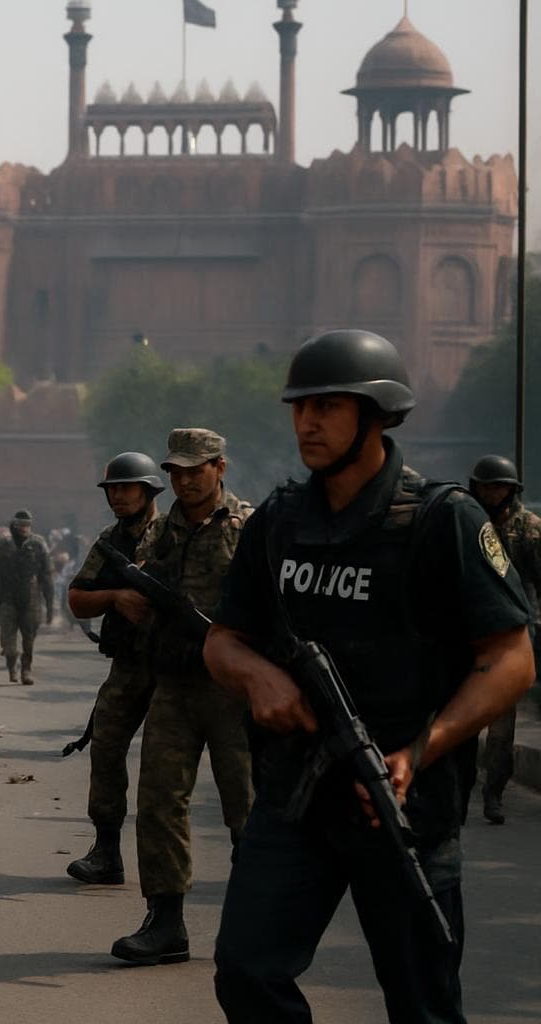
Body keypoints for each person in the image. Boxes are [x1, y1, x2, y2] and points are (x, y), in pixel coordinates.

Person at [206, 330, 533, 1022]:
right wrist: (259, 678)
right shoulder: (277, 523)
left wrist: (421, 751)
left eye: (328, 406)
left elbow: (510, 659)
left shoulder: (443, 520)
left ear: (377, 415)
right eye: (300, 407)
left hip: (400, 804)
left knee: (423, 1005)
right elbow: (223, 642)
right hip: (295, 797)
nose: (307, 423)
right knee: (245, 970)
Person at [113, 428, 253, 966]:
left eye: (196, 470)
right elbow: (136, 582)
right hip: (173, 683)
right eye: (176, 472)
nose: (185, 481)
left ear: (220, 467)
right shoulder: (160, 531)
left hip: (232, 688)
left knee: (246, 808)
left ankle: (253, 920)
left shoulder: (250, 527)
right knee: (159, 802)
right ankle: (165, 921)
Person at [64, 451, 165, 885]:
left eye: (127, 488)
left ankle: (167, 868)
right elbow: (77, 597)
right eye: (113, 490)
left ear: (148, 490)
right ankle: (106, 850)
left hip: (172, 664)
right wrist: (115, 597)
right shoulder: (109, 542)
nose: (119, 497)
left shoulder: (173, 535)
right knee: (105, 745)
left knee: (165, 765)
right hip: (129, 663)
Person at [467, 454, 541, 825]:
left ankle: (493, 792)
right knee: (457, 717)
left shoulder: (528, 528)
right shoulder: (465, 522)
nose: (492, 492)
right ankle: (458, 787)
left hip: (511, 634)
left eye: (500, 486)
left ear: (511, 489)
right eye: (486, 485)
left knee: (500, 725)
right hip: (465, 632)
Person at [0, 510, 54, 684]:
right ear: (14, 526)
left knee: (29, 637)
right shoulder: (3, 544)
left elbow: (46, 575)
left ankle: (26, 669)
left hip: (31, 597)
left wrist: (50, 603)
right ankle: (11, 665)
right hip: (7, 597)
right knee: (8, 639)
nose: (24, 528)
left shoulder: (38, 544)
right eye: (20, 525)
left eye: (27, 525)